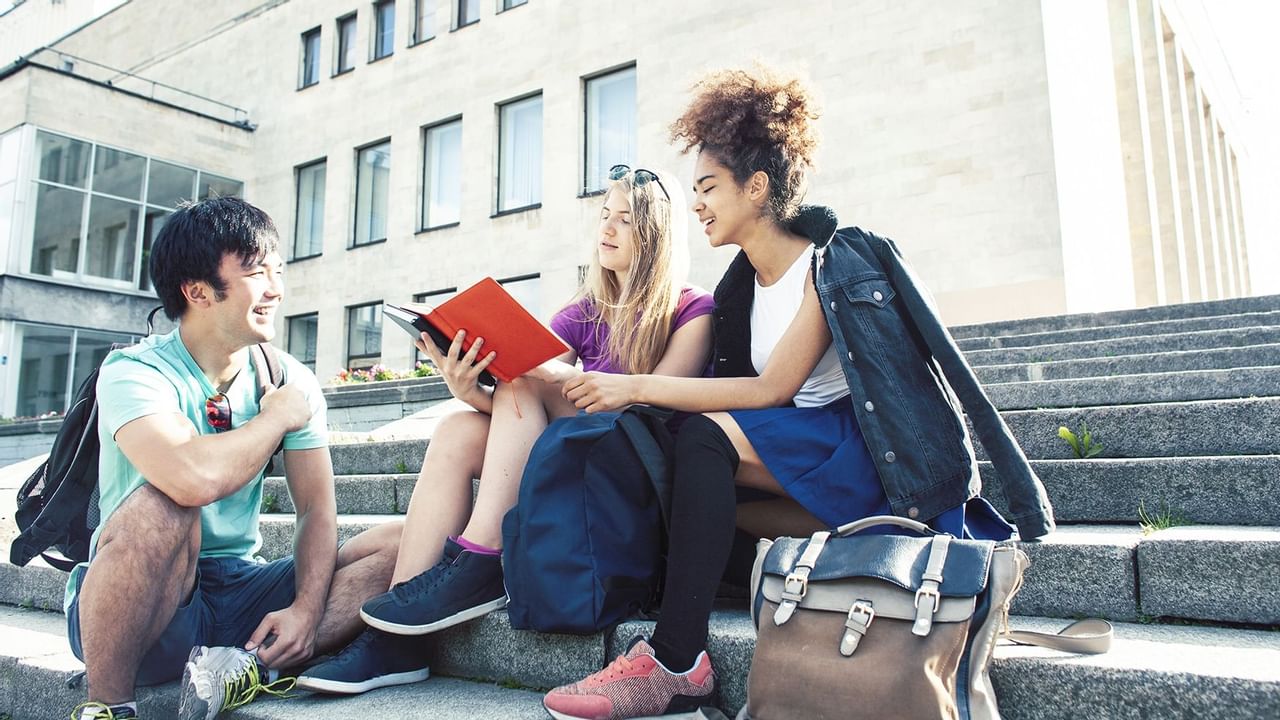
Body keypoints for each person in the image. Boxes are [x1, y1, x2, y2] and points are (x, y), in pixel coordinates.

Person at [541, 65, 1056, 720]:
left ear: (756, 188)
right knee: (681, 484)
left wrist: (633, 385)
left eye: (707, 188)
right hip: (802, 463)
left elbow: (772, 388)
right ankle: (670, 618)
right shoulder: (738, 290)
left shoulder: (828, 263)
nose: (696, 204)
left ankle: (676, 659)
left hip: (860, 459)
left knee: (704, 434)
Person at [295, 164, 715, 694]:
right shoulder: (584, 311)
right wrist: (468, 386)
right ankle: (396, 636)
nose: (606, 229)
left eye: (625, 220)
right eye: (604, 216)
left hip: (642, 476)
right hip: (583, 454)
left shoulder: (693, 309)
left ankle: (481, 560)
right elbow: (524, 405)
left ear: (656, 233)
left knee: (522, 377)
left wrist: (542, 373)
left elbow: (657, 402)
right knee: (458, 427)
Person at [67, 197, 405, 720]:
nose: (275, 289)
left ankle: (249, 666)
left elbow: (316, 509)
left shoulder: (286, 376)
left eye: (278, 270)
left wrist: (305, 610)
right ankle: (108, 707)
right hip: (144, 599)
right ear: (197, 291)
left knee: (407, 541)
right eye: (255, 273)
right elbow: (189, 480)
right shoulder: (134, 372)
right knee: (165, 505)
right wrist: (273, 419)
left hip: (240, 587)